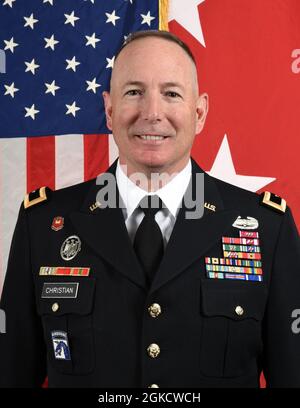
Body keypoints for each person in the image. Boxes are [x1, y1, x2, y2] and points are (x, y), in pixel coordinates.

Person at [0, 30, 299, 388]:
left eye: (171, 94)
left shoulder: (267, 230)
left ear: (199, 112)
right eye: (134, 93)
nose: (152, 113)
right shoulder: (43, 226)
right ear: (109, 110)